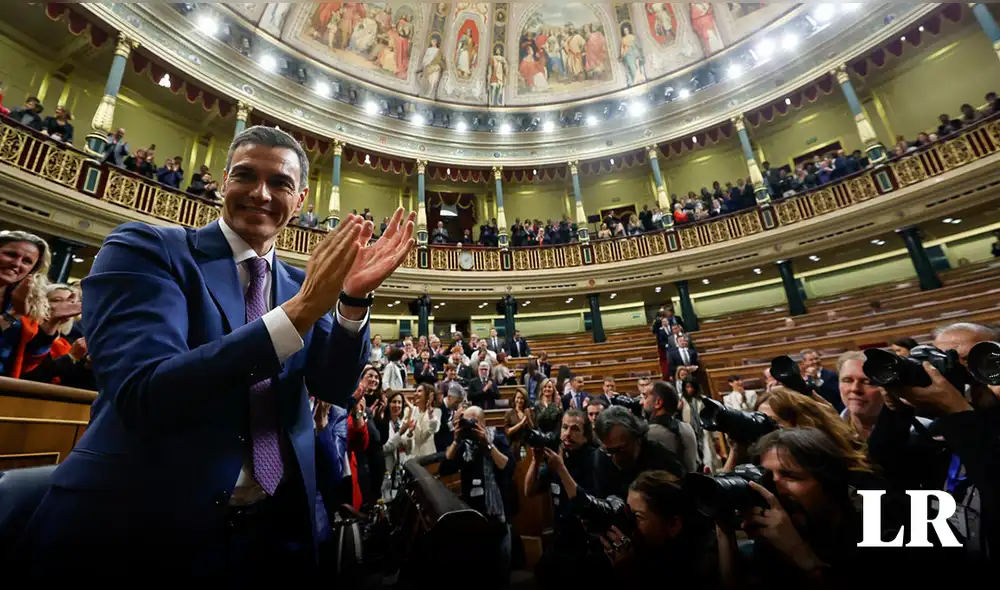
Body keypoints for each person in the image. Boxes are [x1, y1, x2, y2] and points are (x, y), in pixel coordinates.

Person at [18, 126, 415, 577]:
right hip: (138, 529)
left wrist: (353, 301)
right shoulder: (147, 249)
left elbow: (334, 385)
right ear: (223, 181)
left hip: (269, 534)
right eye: (246, 176)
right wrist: (301, 312)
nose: (261, 194)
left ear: (301, 200)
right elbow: (145, 391)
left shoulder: (296, 284)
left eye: (280, 183)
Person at [525, 408, 619, 589]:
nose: (568, 434)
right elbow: (529, 490)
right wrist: (536, 461)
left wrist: (561, 469)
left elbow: (587, 505)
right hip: (561, 542)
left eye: (575, 429)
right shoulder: (560, 456)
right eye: (565, 428)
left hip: (586, 549)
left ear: (586, 435)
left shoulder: (595, 459)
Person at [439, 405, 516, 588]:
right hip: (473, 517)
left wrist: (487, 445)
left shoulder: (497, 439)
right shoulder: (463, 444)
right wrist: (456, 441)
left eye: (473, 423)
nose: (470, 428)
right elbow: (444, 469)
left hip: (498, 516)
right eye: (466, 422)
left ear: (483, 423)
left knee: (501, 572)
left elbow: (508, 467)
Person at [1, 231, 81, 379]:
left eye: (27, 261)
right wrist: (13, 315)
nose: (17, 263)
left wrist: (52, 322)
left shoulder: (27, 300)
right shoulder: (19, 306)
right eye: (10, 254)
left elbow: (28, 363)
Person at [643, 381, 698, 473]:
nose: (641, 402)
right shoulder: (688, 428)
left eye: (645, 397)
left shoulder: (648, 434)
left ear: (658, 402)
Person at [410, 383, 441, 460]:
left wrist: (430, 414)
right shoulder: (413, 410)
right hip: (414, 454)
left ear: (427, 395)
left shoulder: (436, 411)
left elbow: (434, 429)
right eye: (416, 391)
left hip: (428, 455)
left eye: (419, 391)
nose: (416, 394)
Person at [504, 387, 535, 458]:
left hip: (527, 446)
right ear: (514, 399)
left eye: (522, 398)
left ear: (525, 400)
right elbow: (507, 432)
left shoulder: (529, 412)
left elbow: (533, 429)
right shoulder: (509, 413)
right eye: (517, 398)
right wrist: (521, 423)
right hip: (513, 446)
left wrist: (528, 417)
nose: (519, 400)